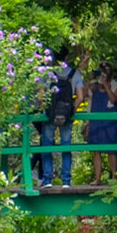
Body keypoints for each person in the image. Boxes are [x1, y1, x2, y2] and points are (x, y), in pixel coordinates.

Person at [39, 47, 83, 187]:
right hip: (67, 115)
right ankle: (66, 181)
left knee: (47, 145)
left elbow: (41, 96)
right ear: (67, 57)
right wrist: (71, 111)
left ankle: (47, 180)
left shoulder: (47, 73)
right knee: (66, 145)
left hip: (50, 115)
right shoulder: (74, 74)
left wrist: (46, 110)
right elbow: (80, 96)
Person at [84, 62, 117, 184]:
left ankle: (114, 177)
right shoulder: (94, 86)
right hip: (95, 121)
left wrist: (105, 84)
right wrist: (89, 81)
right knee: (96, 151)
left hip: (110, 122)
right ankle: (98, 178)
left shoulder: (116, 85)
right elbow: (84, 95)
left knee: (111, 151)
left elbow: (113, 99)